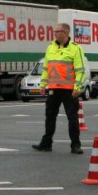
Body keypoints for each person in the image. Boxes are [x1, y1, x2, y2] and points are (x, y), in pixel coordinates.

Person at [32, 23, 87, 154]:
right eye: (54, 31)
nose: (54, 34)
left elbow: (80, 71)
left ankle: (75, 145)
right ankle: (46, 143)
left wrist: (77, 87)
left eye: (57, 31)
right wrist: (42, 84)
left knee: (72, 117)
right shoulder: (50, 47)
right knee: (50, 116)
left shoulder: (76, 49)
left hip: (69, 90)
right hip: (53, 88)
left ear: (66, 33)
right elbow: (46, 68)